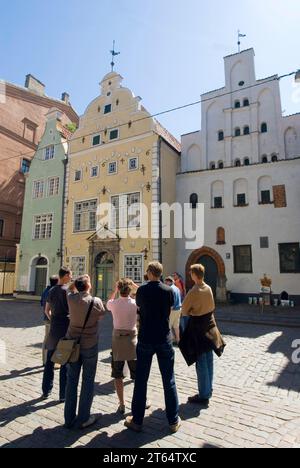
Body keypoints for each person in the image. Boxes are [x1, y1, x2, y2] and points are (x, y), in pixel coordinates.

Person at [125, 262, 181, 434]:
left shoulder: (142, 290)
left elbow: (140, 307)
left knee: (141, 380)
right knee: (169, 380)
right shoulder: (169, 290)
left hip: (146, 338)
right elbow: (170, 308)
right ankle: (173, 420)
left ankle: (137, 420)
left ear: (149, 273)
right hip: (163, 338)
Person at [180, 264, 226, 407]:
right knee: (208, 360)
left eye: (191, 273)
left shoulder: (194, 291)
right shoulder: (208, 287)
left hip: (198, 329)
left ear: (194, 275)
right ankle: (208, 389)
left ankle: (204, 394)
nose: (190, 275)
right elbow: (212, 307)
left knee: (201, 363)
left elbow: (185, 311)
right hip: (209, 327)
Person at [64, 275, 105, 429]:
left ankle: (68, 419)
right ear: (88, 286)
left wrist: (76, 282)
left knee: (71, 381)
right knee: (88, 381)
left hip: (72, 345)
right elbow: (100, 317)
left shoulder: (71, 299)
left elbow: (69, 288)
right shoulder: (96, 301)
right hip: (89, 345)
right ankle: (83, 418)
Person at [107, 279, 138, 415]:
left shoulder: (113, 304)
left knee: (118, 374)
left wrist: (114, 290)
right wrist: (134, 286)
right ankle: (139, 401)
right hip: (132, 340)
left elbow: (109, 300)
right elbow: (142, 292)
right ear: (130, 290)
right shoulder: (135, 304)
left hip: (118, 341)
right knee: (137, 375)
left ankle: (122, 404)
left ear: (119, 289)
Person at [42, 267, 72, 402]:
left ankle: (46, 391)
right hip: (65, 328)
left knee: (49, 361)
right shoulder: (68, 291)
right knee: (64, 362)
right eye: (70, 275)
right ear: (65, 276)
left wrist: (52, 319)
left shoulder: (52, 290)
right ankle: (63, 394)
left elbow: (46, 310)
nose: (71, 277)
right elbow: (72, 310)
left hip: (54, 329)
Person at [41, 276, 59, 365]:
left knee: (46, 339)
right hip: (52, 319)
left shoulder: (45, 291)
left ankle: (44, 360)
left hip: (45, 318)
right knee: (53, 340)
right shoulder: (54, 291)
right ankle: (51, 360)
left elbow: (41, 303)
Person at [165, 276, 182, 344]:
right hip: (179, 309)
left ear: (169, 282)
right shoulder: (177, 288)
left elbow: (172, 302)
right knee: (176, 326)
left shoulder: (170, 289)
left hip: (173, 309)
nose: (165, 283)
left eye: (166, 282)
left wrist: (168, 312)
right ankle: (178, 340)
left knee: (168, 325)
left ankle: (171, 339)